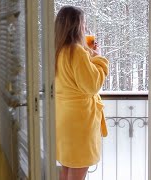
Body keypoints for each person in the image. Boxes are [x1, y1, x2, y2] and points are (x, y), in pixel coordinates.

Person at [54, 5, 109, 180]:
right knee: (77, 174)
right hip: (79, 122)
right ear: (76, 26)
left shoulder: (59, 51)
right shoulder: (76, 52)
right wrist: (99, 58)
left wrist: (88, 55)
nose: (85, 28)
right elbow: (92, 84)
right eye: (83, 24)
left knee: (66, 170)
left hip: (64, 119)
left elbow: (75, 79)